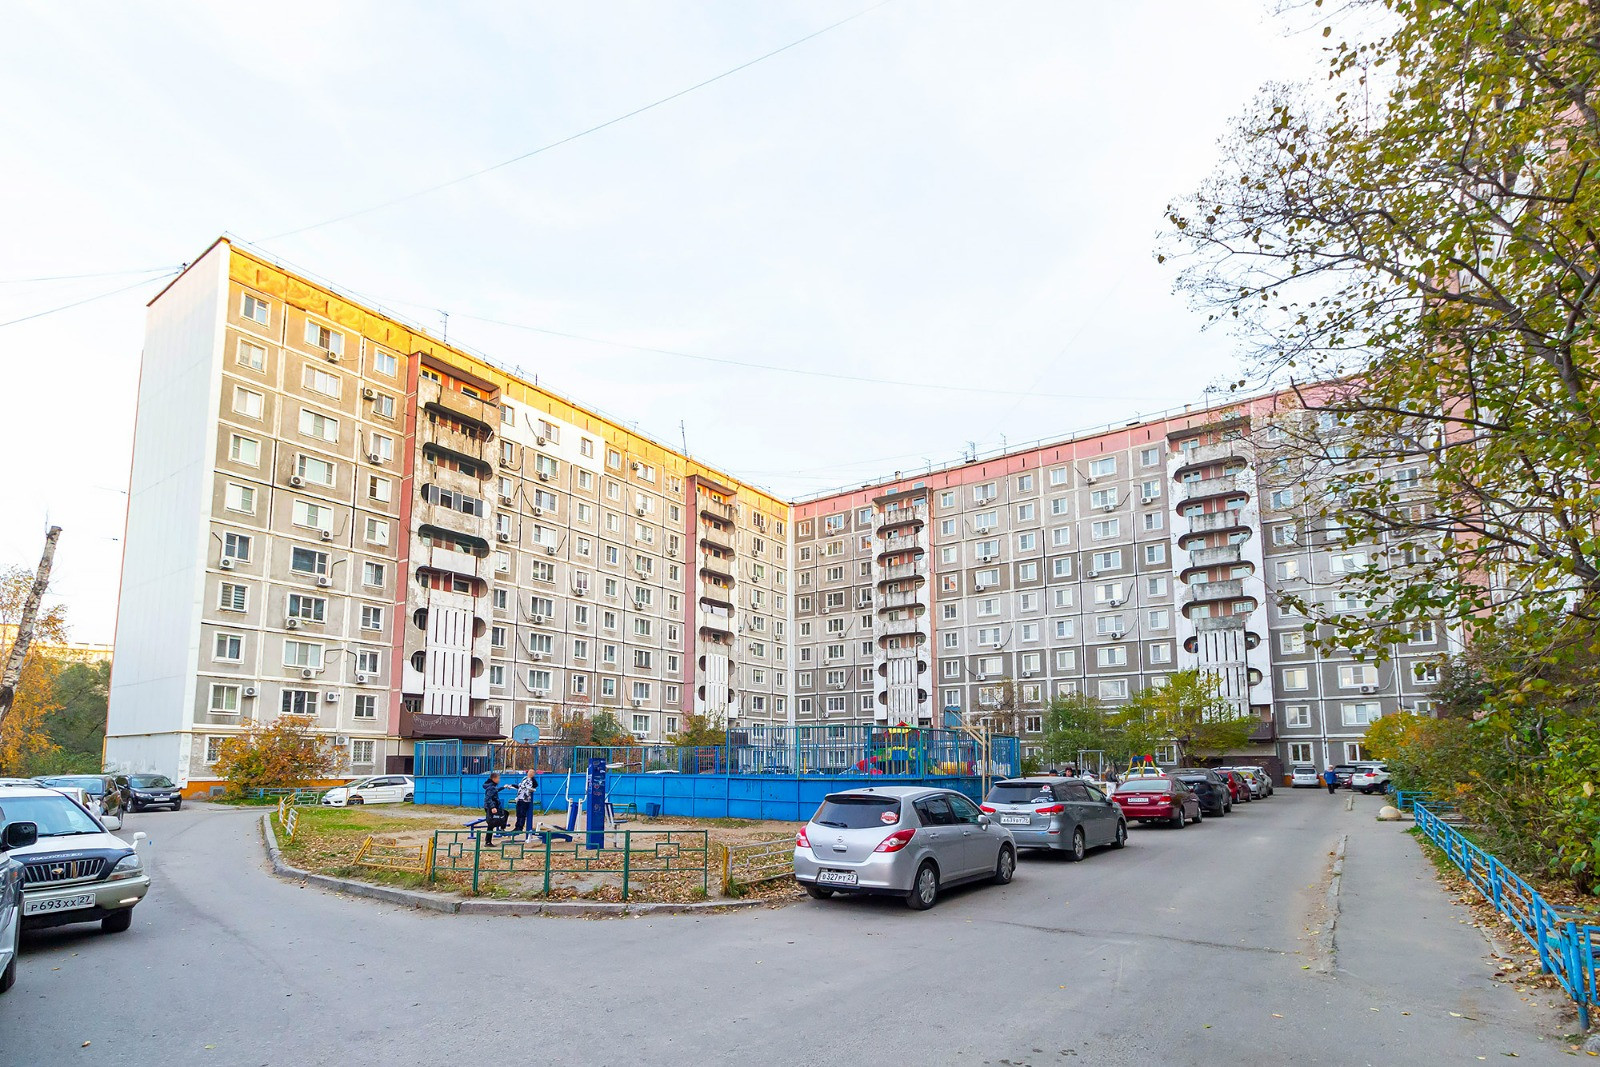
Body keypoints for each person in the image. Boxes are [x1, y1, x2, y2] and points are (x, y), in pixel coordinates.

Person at [512, 768, 539, 839]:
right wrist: (512, 785)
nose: (530, 773)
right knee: (518, 813)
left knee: (522, 813)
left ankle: (520, 827)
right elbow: (520, 786)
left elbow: (534, 786)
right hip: (519, 797)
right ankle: (517, 827)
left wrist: (531, 788)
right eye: (530, 771)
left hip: (525, 799)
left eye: (532, 772)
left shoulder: (532, 781)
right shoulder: (524, 778)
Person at [482, 771, 505, 845]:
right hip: (491, 807)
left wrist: (503, 787)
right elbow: (488, 798)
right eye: (498, 778)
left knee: (492, 823)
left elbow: (495, 790)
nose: (499, 780)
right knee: (491, 824)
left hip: (490, 807)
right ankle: (488, 841)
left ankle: (489, 840)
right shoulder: (491, 787)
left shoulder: (491, 786)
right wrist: (492, 807)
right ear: (494, 779)